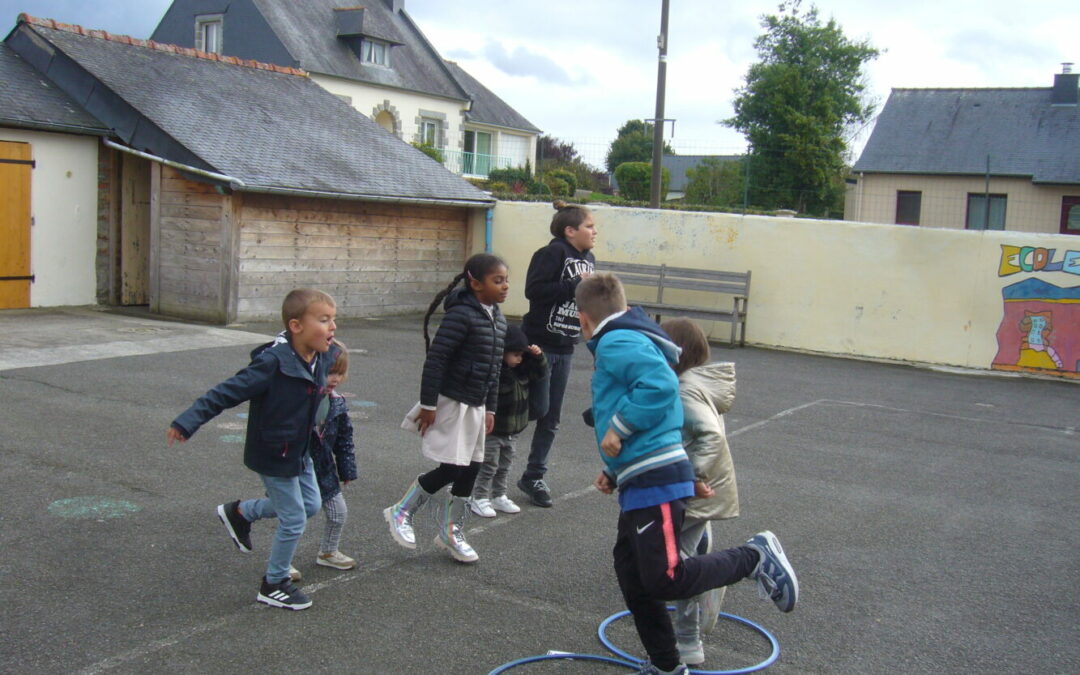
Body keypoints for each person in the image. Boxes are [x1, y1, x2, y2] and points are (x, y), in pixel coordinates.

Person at [576, 273, 798, 675]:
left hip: (653, 476)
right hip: (641, 475)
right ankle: (667, 665)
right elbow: (648, 408)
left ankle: (753, 557)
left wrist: (619, 428)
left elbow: (659, 386)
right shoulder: (627, 338)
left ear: (582, 319)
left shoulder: (615, 341)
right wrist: (613, 469)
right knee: (632, 572)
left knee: (666, 577)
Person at [167, 288, 339, 611]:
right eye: (324, 319)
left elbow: (328, 376)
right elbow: (224, 393)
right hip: (274, 452)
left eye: (334, 320)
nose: (332, 327)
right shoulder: (272, 364)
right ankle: (274, 583)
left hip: (300, 451)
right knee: (294, 519)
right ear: (296, 326)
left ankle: (241, 512)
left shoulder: (322, 355)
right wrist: (187, 421)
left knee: (312, 505)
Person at [383, 253, 508, 563]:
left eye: (506, 280)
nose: (505, 286)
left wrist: (490, 408)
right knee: (453, 467)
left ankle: (450, 532)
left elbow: (494, 369)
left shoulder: (497, 317)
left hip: (477, 405)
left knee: (473, 467)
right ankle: (401, 510)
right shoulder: (461, 314)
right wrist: (428, 404)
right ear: (475, 283)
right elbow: (436, 359)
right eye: (498, 280)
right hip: (454, 400)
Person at [660, 318, 739, 667]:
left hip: (693, 490)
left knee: (679, 567)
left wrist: (690, 477)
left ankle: (688, 639)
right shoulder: (692, 383)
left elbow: (710, 436)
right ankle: (707, 582)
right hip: (699, 490)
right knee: (684, 554)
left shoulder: (684, 389)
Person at [518, 200, 597, 508]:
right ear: (570, 230)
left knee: (550, 418)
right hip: (538, 345)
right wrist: (575, 283)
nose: (594, 232)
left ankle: (533, 475)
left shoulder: (589, 258)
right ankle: (487, 473)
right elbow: (534, 291)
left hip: (565, 348)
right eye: (589, 226)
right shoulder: (551, 253)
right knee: (525, 410)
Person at [468, 324, 549, 518]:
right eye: (515, 355)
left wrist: (538, 356)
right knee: (488, 465)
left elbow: (540, 372)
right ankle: (478, 497)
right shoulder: (495, 374)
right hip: (494, 432)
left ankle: (499, 495)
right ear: (502, 353)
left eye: (521, 355)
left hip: (513, 432)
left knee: (504, 466)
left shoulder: (522, 371)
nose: (519, 359)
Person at [309, 339, 358, 572]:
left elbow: (344, 439)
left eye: (339, 373)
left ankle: (328, 552)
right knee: (292, 518)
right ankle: (281, 563)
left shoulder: (337, 402)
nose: (335, 379)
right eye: (330, 373)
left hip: (325, 468)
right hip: (298, 469)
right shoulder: (302, 400)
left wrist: (347, 469)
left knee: (339, 513)